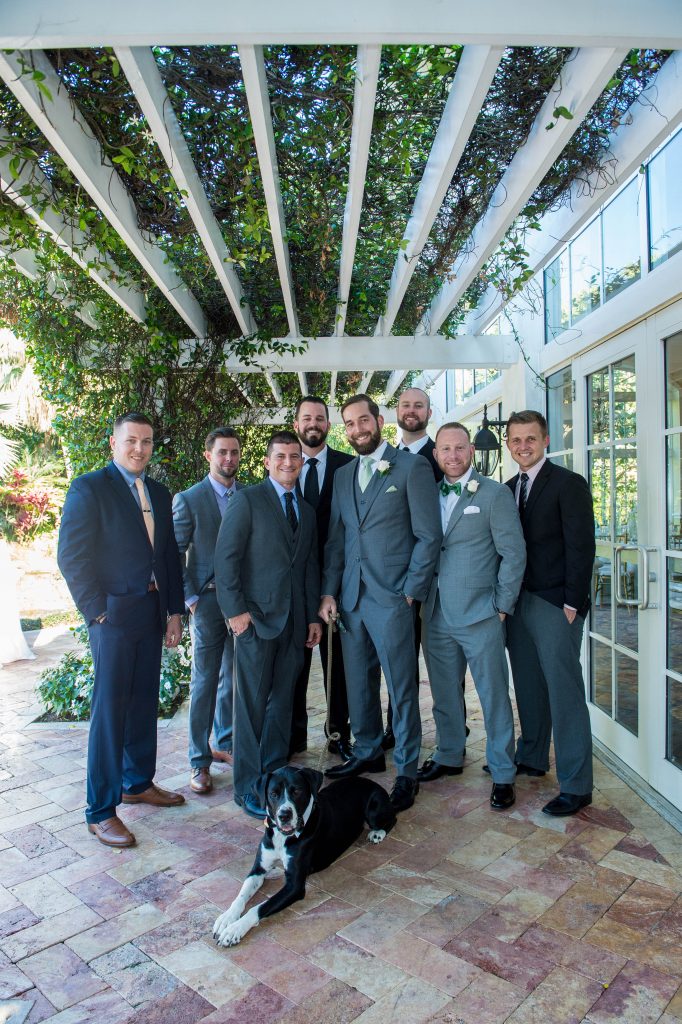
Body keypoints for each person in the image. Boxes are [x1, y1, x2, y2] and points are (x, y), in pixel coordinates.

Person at [57, 412, 185, 849]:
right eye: (131, 441)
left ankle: (137, 782)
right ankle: (100, 810)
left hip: (152, 613)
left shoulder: (161, 493)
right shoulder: (90, 487)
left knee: (144, 701)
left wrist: (173, 611)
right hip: (112, 618)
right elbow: (72, 557)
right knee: (110, 712)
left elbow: (169, 556)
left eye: (147, 442)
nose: (139, 449)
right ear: (113, 444)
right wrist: (97, 613)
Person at [319, 395, 441, 813]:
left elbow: (429, 536)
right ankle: (368, 749)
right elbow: (337, 540)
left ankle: (406, 770)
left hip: (393, 599)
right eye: (349, 425)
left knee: (402, 687)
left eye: (363, 421)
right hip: (351, 599)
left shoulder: (412, 468)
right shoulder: (342, 476)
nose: (357, 430)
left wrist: (411, 591)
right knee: (359, 682)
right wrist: (329, 592)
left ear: (379, 420)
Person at [215, 430, 322, 819]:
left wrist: (311, 617)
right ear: (266, 461)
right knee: (251, 709)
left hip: (294, 625)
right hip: (255, 623)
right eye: (280, 457)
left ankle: (276, 782)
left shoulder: (306, 510)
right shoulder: (247, 501)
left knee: (281, 706)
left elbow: (308, 566)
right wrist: (235, 611)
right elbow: (225, 559)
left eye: (294, 457)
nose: (288, 463)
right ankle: (246, 787)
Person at [419, 423, 526, 810]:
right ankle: (449, 754)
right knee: (444, 693)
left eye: (459, 448)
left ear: (471, 451)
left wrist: (501, 606)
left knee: (494, 695)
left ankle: (502, 772)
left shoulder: (495, 494)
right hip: (436, 612)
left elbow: (514, 553)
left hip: (481, 613)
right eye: (445, 449)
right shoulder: (426, 494)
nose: (452, 455)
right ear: (435, 454)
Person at [505, 410, 596, 816]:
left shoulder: (568, 484)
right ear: (508, 445)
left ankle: (577, 784)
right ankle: (533, 755)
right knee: (526, 683)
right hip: (518, 602)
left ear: (545, 440)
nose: (523, 446)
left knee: (564, 692)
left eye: (531, 438)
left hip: (556, 604)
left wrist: (572, 604)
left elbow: (582, 547)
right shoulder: (507, 489)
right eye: (516, 439)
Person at [172, 426, 243, 795]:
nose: (228, 459)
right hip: (208, 600)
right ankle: (198, 761)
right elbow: (174, 553)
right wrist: (191, 600)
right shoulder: (189, 499)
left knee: (233, 676)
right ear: (208, 455)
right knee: (204, 681)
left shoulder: (247, 496)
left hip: (242, 603)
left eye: (233, 452)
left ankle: (226, 743)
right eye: (222, 452)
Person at [381, 386, 446, 750]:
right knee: (399, 660)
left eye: (418, 405)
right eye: (405, 405)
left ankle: (452, 731)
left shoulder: (441, 456)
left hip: (435, 577)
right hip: (393, 580)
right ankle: (397, 728)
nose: (411, 410)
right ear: (396, 411)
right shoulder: (386, 458)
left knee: (440, 660)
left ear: (428, 412)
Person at [290, 396, 354, 761]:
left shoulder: (348, 466)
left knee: (338, 666)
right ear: (297, 424)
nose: (313, 423)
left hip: (338, 585)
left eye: (320, 418)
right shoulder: (284, 464)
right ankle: (294, 735)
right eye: (306, 418)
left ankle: (338, 733)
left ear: (328, 426)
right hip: (295, 588)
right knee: (294, 665)